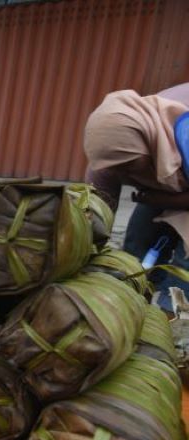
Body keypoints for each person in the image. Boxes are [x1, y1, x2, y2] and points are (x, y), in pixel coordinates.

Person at [84, 83, 189, 307]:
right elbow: (97, 211)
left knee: (184, 266)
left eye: (131, 166)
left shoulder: (183, 135)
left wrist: (162, 200)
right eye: (118, 168)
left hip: (176, 174)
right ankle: (135, 301)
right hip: (167, 182)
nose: (125, 174)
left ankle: (175, 320)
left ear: (146, 146)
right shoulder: (113, 148)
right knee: (136, 246)